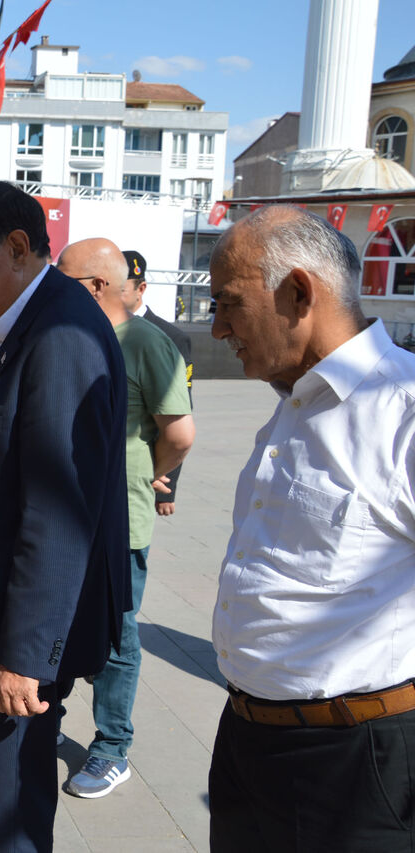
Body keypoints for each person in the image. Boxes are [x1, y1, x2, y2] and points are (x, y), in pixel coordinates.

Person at [0, 183, 130, 852]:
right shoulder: (31, 322)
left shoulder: (60, 334)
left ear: (16, 247)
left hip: (9, 634)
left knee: (2, 814)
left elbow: (58, 513)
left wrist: (25, 658)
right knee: (1, 806)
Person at [207, 205, 415, 850]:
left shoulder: (402, 411)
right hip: (246, 738)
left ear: (299, 292)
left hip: (353, 764)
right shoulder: (295, 402)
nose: (217, 328)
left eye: (230, 303)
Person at [55, 238, 194, 798]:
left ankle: (112, 748)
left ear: (95, 287)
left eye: (62, 278)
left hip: (118, 523)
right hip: (62, 516)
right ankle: (46, 718)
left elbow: (179, 433)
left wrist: (146, 475)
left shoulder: (145, 342)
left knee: (116, 634)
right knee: (56, 621)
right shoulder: (66, 335)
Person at [121, 249, 194, 516]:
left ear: (140, 288)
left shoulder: (169, 337)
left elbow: (177, 415)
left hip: (148, 468)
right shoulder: (103, 329)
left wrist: (167, 487)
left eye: (121, 288)